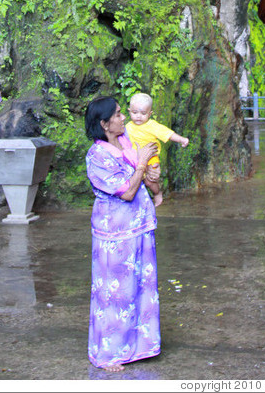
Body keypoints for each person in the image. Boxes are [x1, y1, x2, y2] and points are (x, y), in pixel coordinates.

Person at [85, 96, 161, 372]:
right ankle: (108, 354)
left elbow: (143, 178)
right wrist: (141, 165)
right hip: (115, 233)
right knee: (114, 294)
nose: (122, 118)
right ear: (104, 124)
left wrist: (152, 174)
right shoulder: (97, 156)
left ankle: (138, 346)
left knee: (141, 287)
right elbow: (127, 191)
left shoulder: (126, 140)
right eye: (117, 115)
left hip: (140, 227)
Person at [126, 92, 190, 207]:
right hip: (134, 159)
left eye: (143, 113)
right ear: (129, 111)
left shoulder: (152, 126)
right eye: (135, 113)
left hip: (150, 158)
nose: (138, 116)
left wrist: (181, 139)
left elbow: (167, 134)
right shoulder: (127, 127)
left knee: (150, 180)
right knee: (134, 179)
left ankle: (157, 193)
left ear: (150, 114)